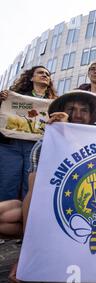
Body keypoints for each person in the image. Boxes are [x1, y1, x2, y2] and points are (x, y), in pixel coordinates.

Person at [6, 91, 96, 283]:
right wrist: (27, 254)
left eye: (83, 110)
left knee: (11, 215)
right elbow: (34, 195)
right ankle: (37, 243)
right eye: (71, 109)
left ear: (91, 117)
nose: (77, 114)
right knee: (5, 216)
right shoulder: (44, 145)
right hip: (52, 212)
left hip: (87, 213)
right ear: (60, 113)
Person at [0, 66, 57, 201]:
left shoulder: (56, 103)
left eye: (47, 74)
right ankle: (5, 219)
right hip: (10, 146)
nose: (44, 75)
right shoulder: (13, 97)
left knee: (30, 185)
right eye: (40, 73)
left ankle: (24, 219)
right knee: (7, 184)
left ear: (49, 81)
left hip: (36, 148)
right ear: (31, 78)